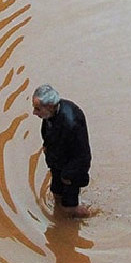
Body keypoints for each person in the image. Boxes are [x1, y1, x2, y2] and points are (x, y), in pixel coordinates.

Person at [31, 84, 92, 218]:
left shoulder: (71, 123)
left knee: (69, 208)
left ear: (50, 106)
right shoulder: (49, 115)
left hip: (71, 170)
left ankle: (89, 214)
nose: (34, 113)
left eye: (37, 109)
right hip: (57, 163)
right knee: (56, 193)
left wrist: (68, 175)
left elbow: (83, 155)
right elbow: (47, 133)